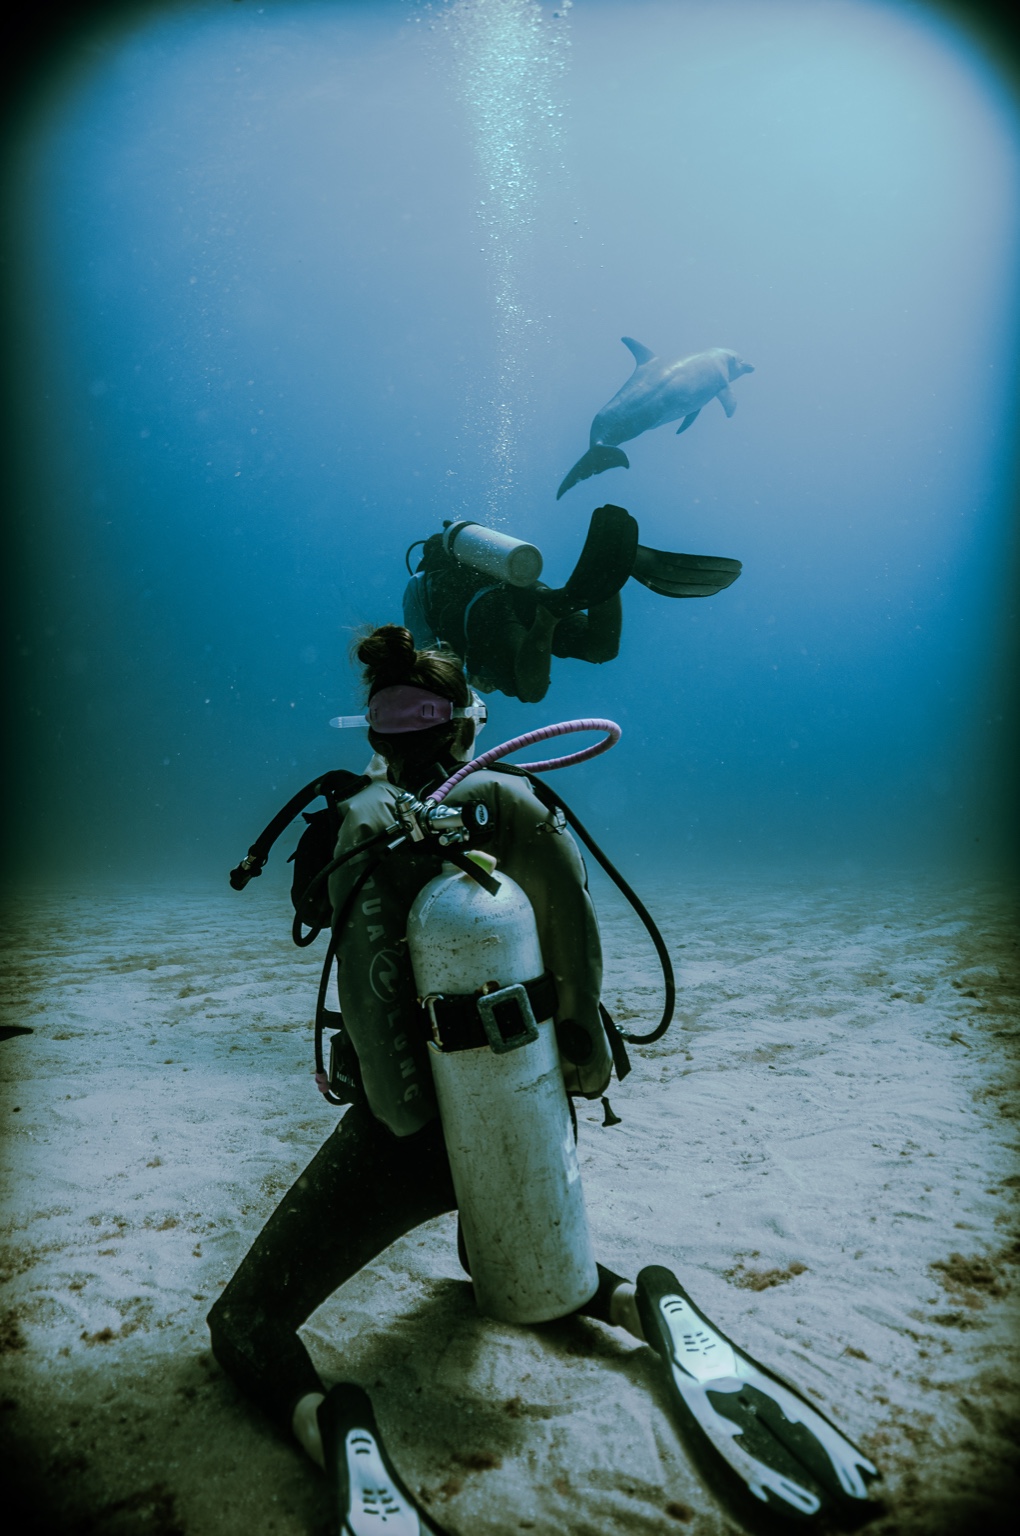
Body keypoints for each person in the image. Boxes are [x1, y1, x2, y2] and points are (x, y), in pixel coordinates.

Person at [207, 623, 644, 1536]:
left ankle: (332, 1426)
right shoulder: (515, 804)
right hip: (523, 1104)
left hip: (400, 1142)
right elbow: (578, 957)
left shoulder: (357, 825)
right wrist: (575, 1066)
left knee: (246, 1323)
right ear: (468, 727)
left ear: (376, 733)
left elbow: (345, 963)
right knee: (493, 1262)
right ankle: (620, 1300)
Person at [403, 505, 744, 703]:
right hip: (520, 587)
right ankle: (615, 568)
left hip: (483, 612)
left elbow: (425, 653)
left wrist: (466, 676)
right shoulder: (480, 566)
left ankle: (548, 616)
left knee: (529, 688)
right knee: (599, 648)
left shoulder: (419, 584)